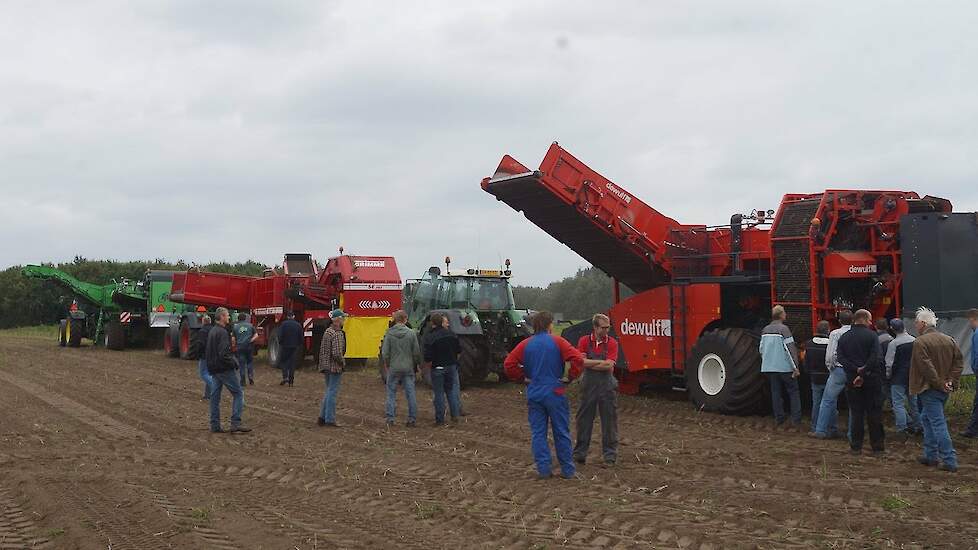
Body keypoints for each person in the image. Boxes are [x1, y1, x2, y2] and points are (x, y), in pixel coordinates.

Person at [504, 311, 607, 479]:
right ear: (549, 325)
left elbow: (509, 364)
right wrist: (570, 377)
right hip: (555, 391)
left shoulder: (526, 344)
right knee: (561, 431)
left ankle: (544, 470)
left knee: (538, 433)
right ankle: (567, 470)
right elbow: (577, 359)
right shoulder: (558, 341)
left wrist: (522, 378)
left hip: (535, 391)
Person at [910, 307, 963, 472]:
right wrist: (950, 381)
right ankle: (931, 455)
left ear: (923, 323)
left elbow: (926, 367)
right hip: (944, 389)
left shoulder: (920, 342)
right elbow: (958, 362)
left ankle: (949, 460)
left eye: (916, 323)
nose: (915, 326)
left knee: (937, 423)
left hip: (929, 388)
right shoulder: (949, 339)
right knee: (926, 418)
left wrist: (940, 383)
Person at [572, 314, 620, 466]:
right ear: (595, 327)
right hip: (588, 386)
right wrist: (601, 363)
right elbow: (581, 362)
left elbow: (609, 365)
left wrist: (590, 363)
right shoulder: (584, 341)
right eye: (603, 328)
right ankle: (580, 454)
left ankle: (610, 456)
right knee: (584, 420)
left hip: (607, 387)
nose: (606, 331)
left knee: (609, 422)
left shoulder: (612, 343)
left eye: (608, 327)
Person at [837, 309, 884, 455]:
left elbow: (840, 358)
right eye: (869, 320)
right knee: (874, 413)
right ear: (863, 319)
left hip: (852, 380)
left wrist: (855, 370)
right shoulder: (872, 336)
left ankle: (856, 446)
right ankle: (877, 447)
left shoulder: (844, 337)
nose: (871, 323)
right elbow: (875, 357)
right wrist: (863, 371)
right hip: (871, 379)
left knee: (856, 414)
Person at [207, 307, 251, 433]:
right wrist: (234, 363)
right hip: (224, 368)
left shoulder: (212, 331)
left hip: (214, 368)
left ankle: (215, 425)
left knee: (215, 397)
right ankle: (235, 423)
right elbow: (223, 354)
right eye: (227, 315)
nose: (229, 317)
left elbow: (209, 351)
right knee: (238, 394)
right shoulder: (222, 333)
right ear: (221, 317)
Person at [812, 310, 853, 439]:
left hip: (838, 370)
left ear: (839, 321)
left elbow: (830, 355)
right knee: (853, 403)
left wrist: (831, 367)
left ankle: (820, 430)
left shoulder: (835, 334)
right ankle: (852, 433)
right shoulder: (855, 333)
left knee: (827, 400)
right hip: (853, 371)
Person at [760, 305, 801, 427]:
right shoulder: (784, 330)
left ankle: (779, 417)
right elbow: (790, 350)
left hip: (770, 367)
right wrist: (795, 367)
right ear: (781, 315)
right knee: (793, 391)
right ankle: (796, 419)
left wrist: (767, 362)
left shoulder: (765, 330)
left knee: (775, 392)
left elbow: (761, 349)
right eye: (784, 313)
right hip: (785, 368)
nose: (786, 314)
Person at [381, 310, 422, 427]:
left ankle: (390, 418)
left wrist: (388, 364)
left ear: (395, 319)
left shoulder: (389, 333)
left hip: (394, 367)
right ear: (405, 319)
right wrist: (416, 364)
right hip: (408, 367)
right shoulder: (411, 333)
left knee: (391, 393)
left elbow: (385, 353)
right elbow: (416, 352)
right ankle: (412, 418)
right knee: (410, 393)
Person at [423, 313, 462, 425]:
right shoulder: (452, 334)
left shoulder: (430, 337)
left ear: (432, 323)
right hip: (451, 366)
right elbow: (459, 350)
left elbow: (427, 356)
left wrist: (429, 363)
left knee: (439, 393)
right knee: (451, 391)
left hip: (438, 367)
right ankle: (455, 415)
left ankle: (440, 419)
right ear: (442, 322)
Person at [885, 319, 921, 436]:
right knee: (913, 402)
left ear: (892, 329)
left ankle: (902, 428)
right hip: (912, 376)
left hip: (898, 377)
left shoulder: (893, 344)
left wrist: (888, 376)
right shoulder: (914, 340)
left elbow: (889, 363)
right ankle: (919, 425)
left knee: (898, 403)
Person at [317, 309, 347, 427]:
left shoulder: (328, 331)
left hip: (325, 365)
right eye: (343, 318)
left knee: (329, 391)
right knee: (332, 392)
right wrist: (343, 363)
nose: (344, 320)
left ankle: (322, 417)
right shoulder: (337, 333)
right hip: (334, 367)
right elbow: (337, 353)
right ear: (338, 320)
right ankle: (330, 419)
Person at [803, 321, 831, 434]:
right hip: (828, 377)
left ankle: (815, 427)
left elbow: (806, 362)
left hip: (815, 377)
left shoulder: (809, 344)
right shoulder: (831, 344)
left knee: (816, 403)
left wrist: (809, 372)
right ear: (828, 330)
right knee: (829, 403)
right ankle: (829, 428)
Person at [961, 308, 978, 438]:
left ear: (973, 319)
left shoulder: (977, 334)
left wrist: (976, 369)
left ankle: (972, 430)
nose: (969, 324)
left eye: (969, 321)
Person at [193, 315, 215, 400]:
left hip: (205, 355)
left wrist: (198, 354)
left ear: (203, 322)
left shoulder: (202, 331)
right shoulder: (214, 330)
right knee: (209, 374)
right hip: (213, 355)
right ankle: (207, 395)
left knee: (203, 374)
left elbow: (201, 344)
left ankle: (214, 387)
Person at [278, 312, 303, 387]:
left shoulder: (283, 324)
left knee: (284, 362)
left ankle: (285, 377)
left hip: (285, 346)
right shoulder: (298, 325)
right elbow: (301, 337)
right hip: (294, 347)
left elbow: (280, 335)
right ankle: (291, 381)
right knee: (292, 364)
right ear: (293, 316)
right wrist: (298, 344)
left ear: (287, 317)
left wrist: (281, 343)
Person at [234, 313, 258, 386]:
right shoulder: (250, 326)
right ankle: (250, 377)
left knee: (241, 364)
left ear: (238, 319)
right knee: (249, 362)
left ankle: (243, 380)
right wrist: (251, 340)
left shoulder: (235, 327)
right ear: (245, 318)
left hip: (240, 347)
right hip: (249, 347)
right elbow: (256, 335)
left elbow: (233, 339)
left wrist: (234, 345)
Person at [876, 318, 894, 408]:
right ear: (887, 327)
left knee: (884, 389)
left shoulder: (877, 340)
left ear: (876, 327)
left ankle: (879, 406)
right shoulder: (892, 339)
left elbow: (879, 357)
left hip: (882, 369)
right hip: (891, 368)